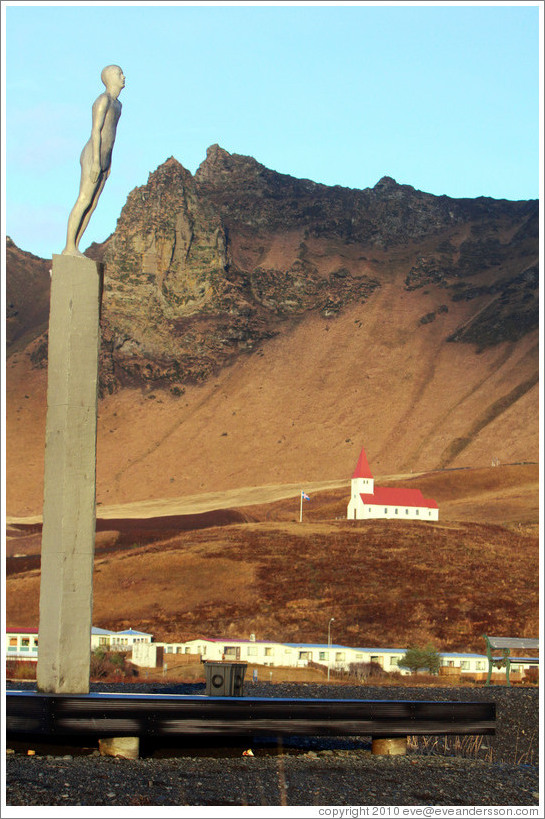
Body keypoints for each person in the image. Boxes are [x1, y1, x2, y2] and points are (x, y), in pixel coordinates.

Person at [62, 65, 125, 256]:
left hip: (105, 158)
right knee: (84, 199)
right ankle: (69, 247)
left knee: (93, 203)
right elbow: (96, 131)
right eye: (119, 74)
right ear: (109, 78)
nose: (123, 77)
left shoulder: (118, 105)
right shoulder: (102, 100)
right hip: (92, 155)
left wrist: (109, 162)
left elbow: (112, 136)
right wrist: (97, 161)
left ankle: (75, 246)